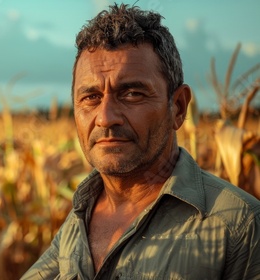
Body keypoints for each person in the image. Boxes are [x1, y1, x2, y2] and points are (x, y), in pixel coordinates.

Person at [21, 3, 260, 279]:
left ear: (179, 108)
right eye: (90, 98)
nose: (106, 118)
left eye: (132, 94)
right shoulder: (79, 217)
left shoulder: (240, 226)